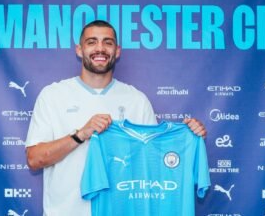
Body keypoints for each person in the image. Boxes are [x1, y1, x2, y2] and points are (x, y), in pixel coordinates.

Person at [25, 20, 207, 216]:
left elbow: (155, 165)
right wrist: (80, 135)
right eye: (92, 42)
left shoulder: (136, 100)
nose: (100, 48)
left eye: (108, 43)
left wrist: (190, 135)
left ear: (117, 51)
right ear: (79, 50)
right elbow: (34, 159)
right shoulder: (53, 95)